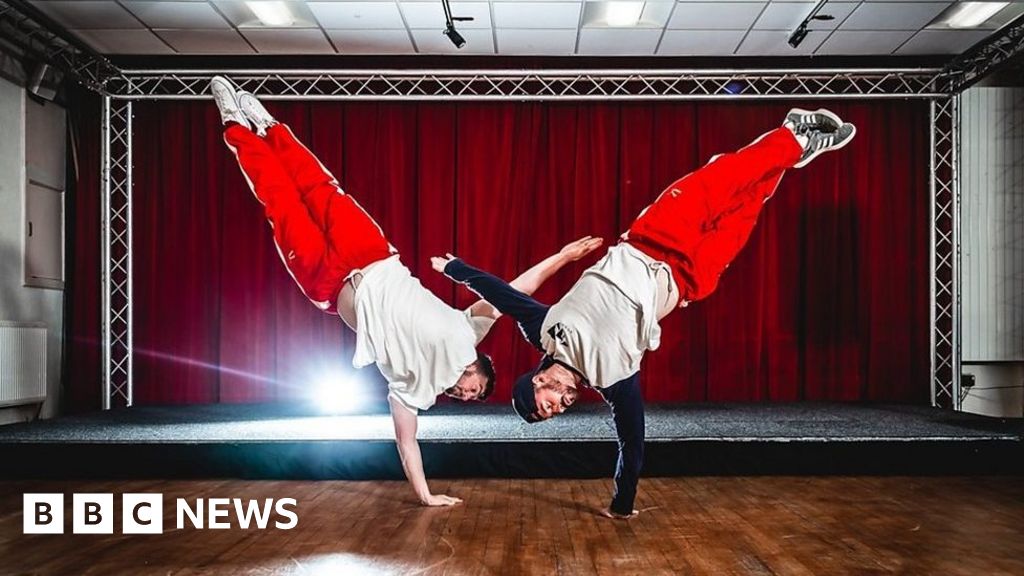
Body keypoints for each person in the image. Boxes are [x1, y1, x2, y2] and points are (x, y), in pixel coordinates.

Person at [431, 109, 857, 519]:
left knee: (728, 176)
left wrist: (455, 269)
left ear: (537, 382)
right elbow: (631, 443)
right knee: (749, 204)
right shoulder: (613, 381)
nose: (557, 409)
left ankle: (795, 135)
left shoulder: (544, 331)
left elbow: (502, 295)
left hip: (655, 235)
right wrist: (622, 503)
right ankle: (796, 146)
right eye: (552, 413)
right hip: (688, 278)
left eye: (545, 407)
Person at [209, 76, 603, 507]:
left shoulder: (413, 391)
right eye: (476, 388)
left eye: (468, 398)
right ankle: (270, 128)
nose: (466, 395)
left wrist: (426, 494)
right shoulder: (466, 330)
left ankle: (234, 125)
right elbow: (513, 292)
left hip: (330, 282)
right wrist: (563, 257)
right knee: (320, 191)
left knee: (280, 203)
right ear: (479, 365)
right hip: (373, 255)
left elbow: (406, 443)